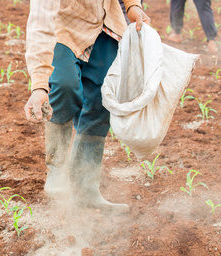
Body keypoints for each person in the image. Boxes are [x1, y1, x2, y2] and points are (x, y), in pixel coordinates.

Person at [24, 0, 150, 213]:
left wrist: (131, 6)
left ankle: (86, 188)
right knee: (64, 85)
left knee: (104, 100)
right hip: (65, 26)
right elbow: (40, 22)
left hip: (107, 26)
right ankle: (58, 168)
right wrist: (38, 85)